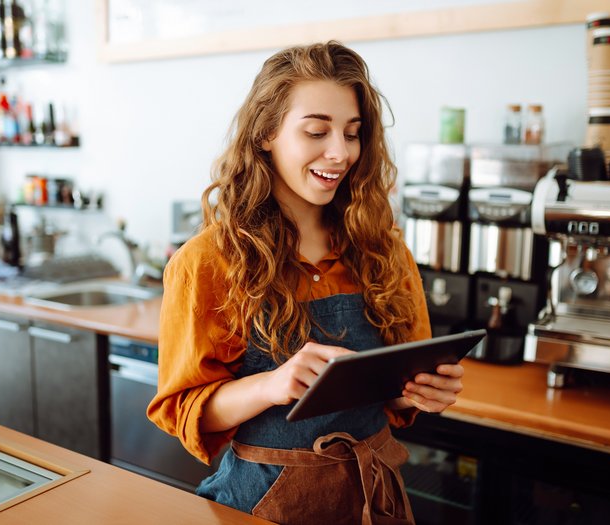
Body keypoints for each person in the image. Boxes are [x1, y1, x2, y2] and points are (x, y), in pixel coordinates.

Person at [147, 40, 464, 525]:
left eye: (353, 133)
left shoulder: (383, 249)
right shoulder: (208, 261)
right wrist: (273, 385)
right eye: (316, 131)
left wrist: (417, 390)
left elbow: (392, 391)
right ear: (266, 133)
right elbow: (187, 409)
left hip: (375, 500)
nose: (339, 153)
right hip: (264, 504)